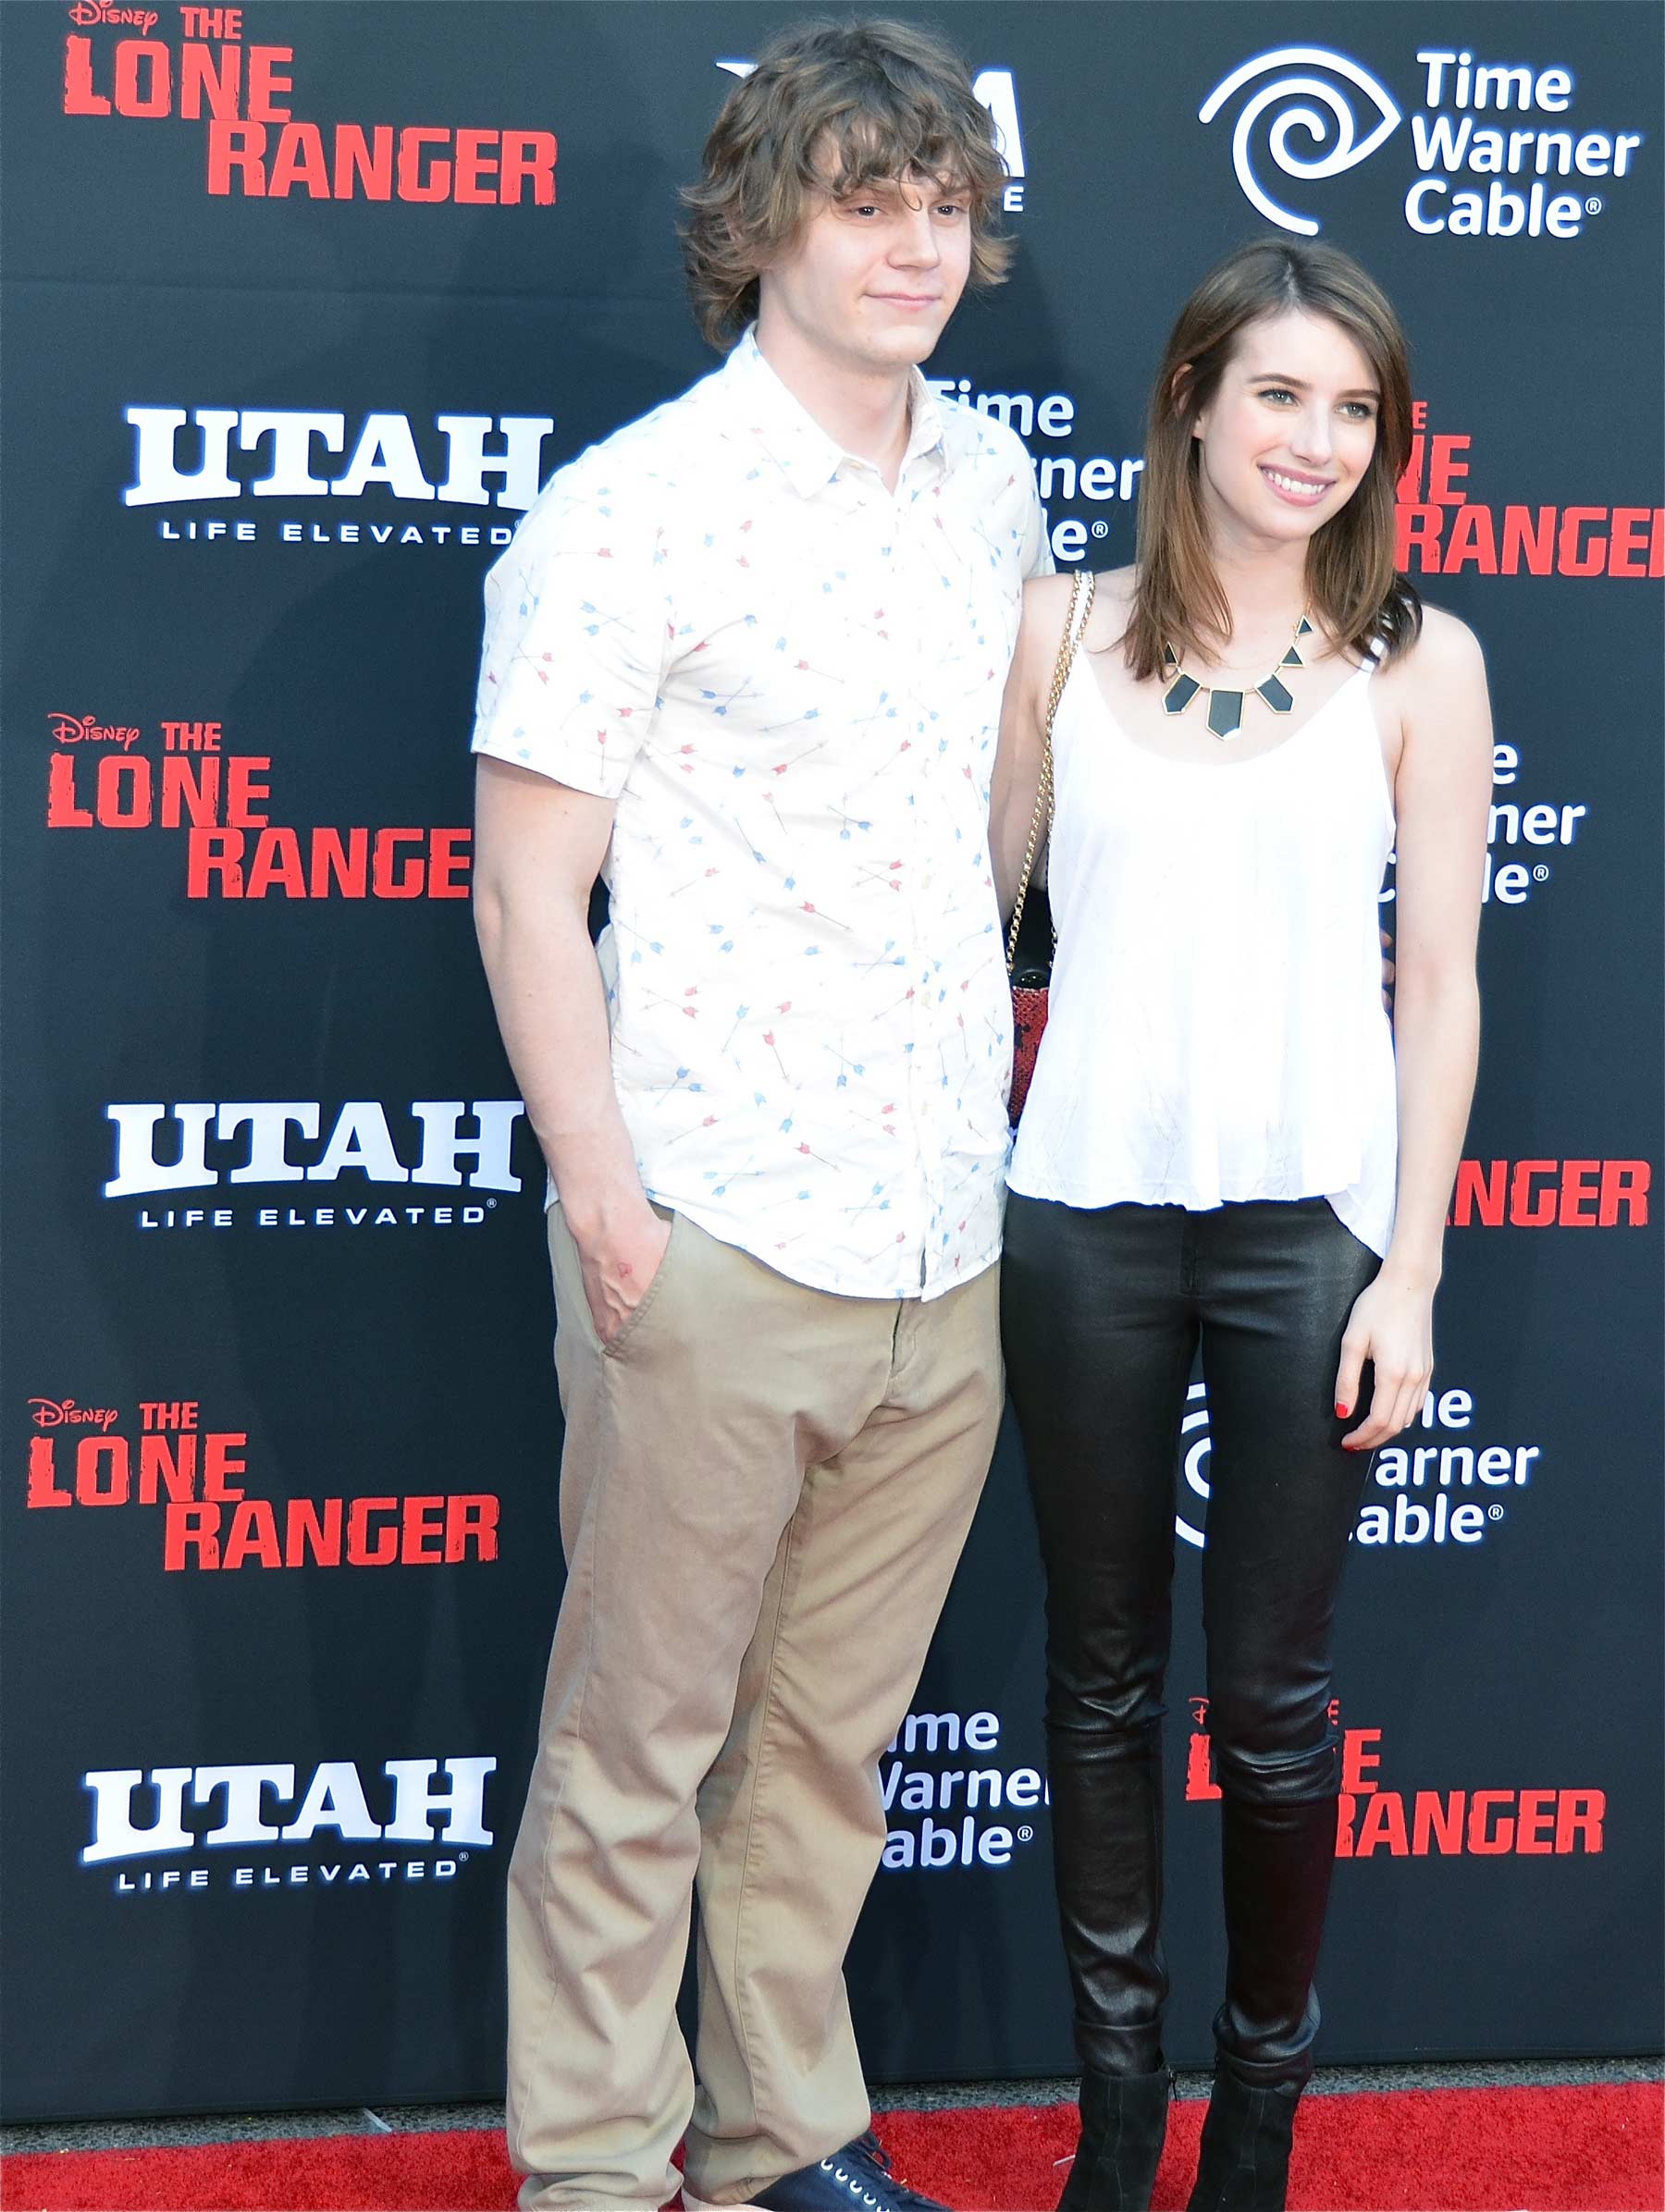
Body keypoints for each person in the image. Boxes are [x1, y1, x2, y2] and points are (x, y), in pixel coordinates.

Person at [470, 19, 1048, 2211]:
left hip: (944, 1224)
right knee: (635, 1753)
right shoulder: (631, 514)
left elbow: (1003, 802)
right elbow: (529, 882)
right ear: (760, 223)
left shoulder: (994, 486)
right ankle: (601, 2169)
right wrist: (606, 1192)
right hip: (709, 1214)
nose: (914, 245)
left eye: (943, 206)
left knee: (825, 1747)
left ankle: (779, 2135)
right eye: (864, 201)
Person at [992, 239, 1492, 2212]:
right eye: (1279, 393)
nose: (1315, 440)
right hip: (1080, 1225)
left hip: (1315, 1242)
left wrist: (1419, 1270)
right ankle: (1118, 2126)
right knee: (1099, 1688)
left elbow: (1437, 984)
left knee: (1272, 1706)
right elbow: (973, 937)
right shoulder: (1054, 634)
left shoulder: (1420, 663)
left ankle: (1254, 2132)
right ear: (1194, 396)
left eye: (1353, 406)